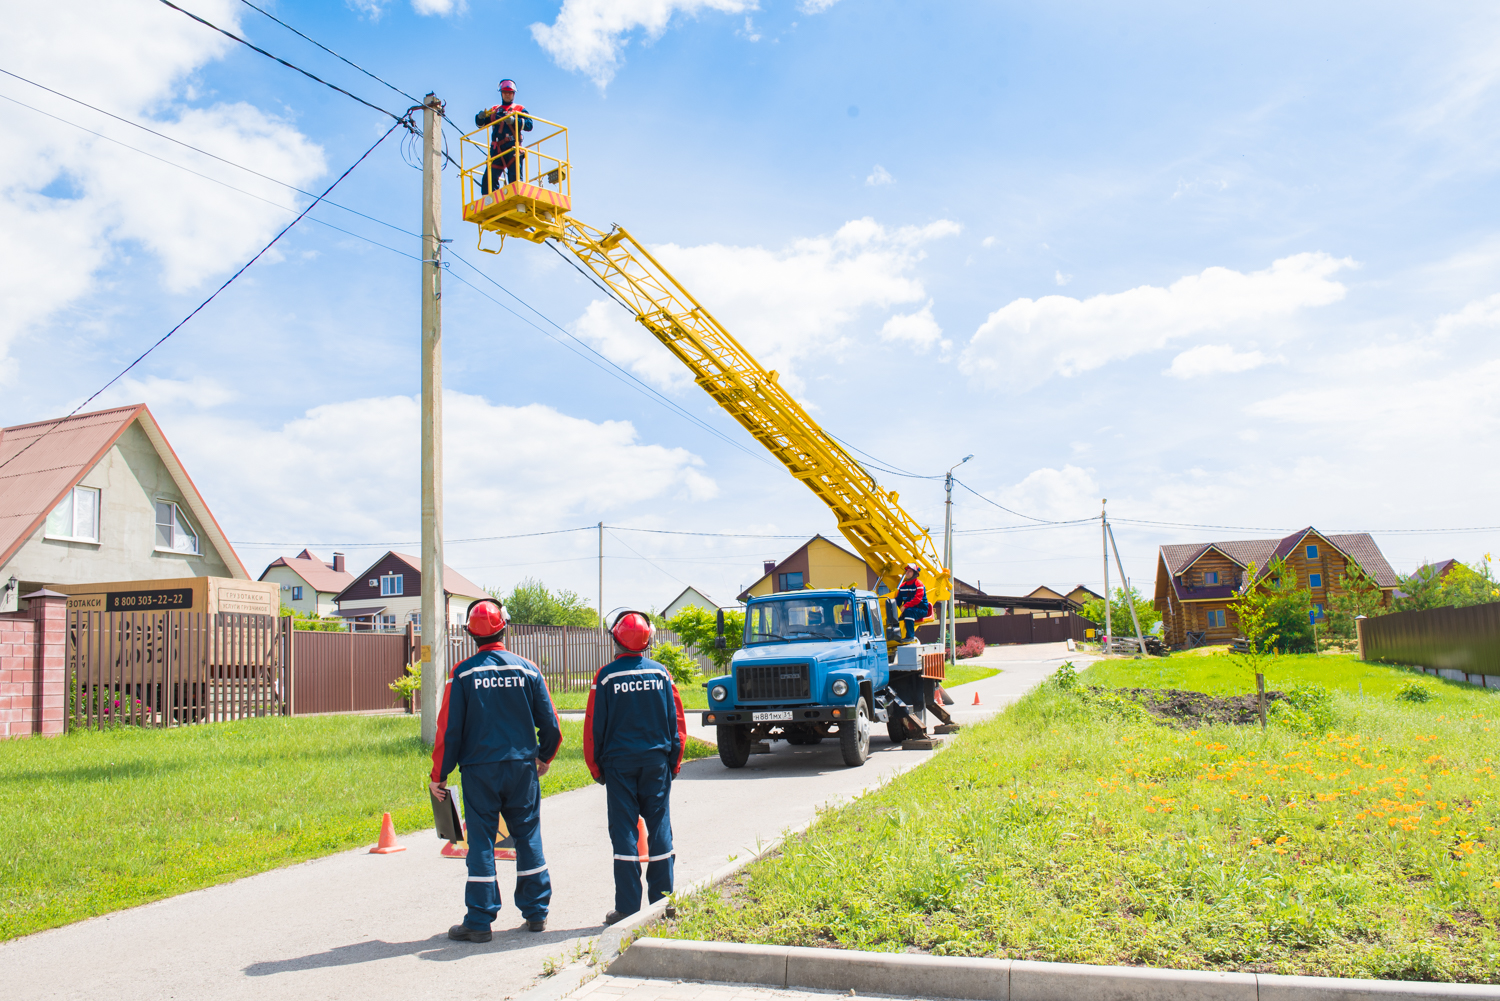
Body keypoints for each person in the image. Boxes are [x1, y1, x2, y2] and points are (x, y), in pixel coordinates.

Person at [430, 597, 562, 942]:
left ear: (470, 634)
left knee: (482, 843)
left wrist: (439, 776)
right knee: (528, 836)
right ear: (505, 626)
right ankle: (536, 913)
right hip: (521, 768)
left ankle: (479, 921)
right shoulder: (528, 669)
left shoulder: (462, 674)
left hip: (478, 772)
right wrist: (543, 758)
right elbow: (551, 725)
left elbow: (449, 731)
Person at [584, 610, 687, 926]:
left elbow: (593, 727)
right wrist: (674, 762)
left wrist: (595, 767)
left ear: (615, 638)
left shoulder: (605, 677)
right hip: (656, 763)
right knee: (659, 829)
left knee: (625, 832)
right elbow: (677, 722)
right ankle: (663, 903)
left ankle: (627, 908)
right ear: (649, 639)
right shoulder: (661, 674)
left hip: (618, 766)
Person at [475, 78, 533, 194]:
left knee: (515, 178)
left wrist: (515, 120)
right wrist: (480, 117)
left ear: (513, 94)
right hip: (497, 150)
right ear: (501, 93)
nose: (507, 95)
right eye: (505, 92)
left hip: (513, 148)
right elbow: (480, 124)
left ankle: (516, 198)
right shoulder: (495, 110)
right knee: (489, 178)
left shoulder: (519, 109)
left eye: (510, 93)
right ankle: (488, 200)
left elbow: (529, 125)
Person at [896, 562, 930, 641]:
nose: (907, 572)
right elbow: (898, 600)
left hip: (921, 610)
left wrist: (905, 606)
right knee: (895, 615)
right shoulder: (902, 586)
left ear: (915, 573)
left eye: (910, 571)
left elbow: (917, 599)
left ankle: (910, 636)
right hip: (909, 609)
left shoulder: (919, 584)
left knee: (908, 611)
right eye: (907, 571)